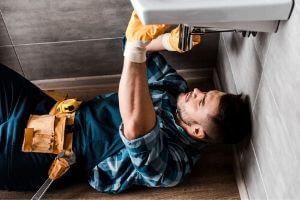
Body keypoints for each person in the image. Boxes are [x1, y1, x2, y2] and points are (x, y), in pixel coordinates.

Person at [0, 11, 251, 193]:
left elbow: (136, 130)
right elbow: (132, 44)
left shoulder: (176, 164)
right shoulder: (177, 91)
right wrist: (166, 42)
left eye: (202, 100)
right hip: (48, 110)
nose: (196, 90)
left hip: (47, 153)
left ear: (197, 131)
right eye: (205, 91)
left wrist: (136, 49)